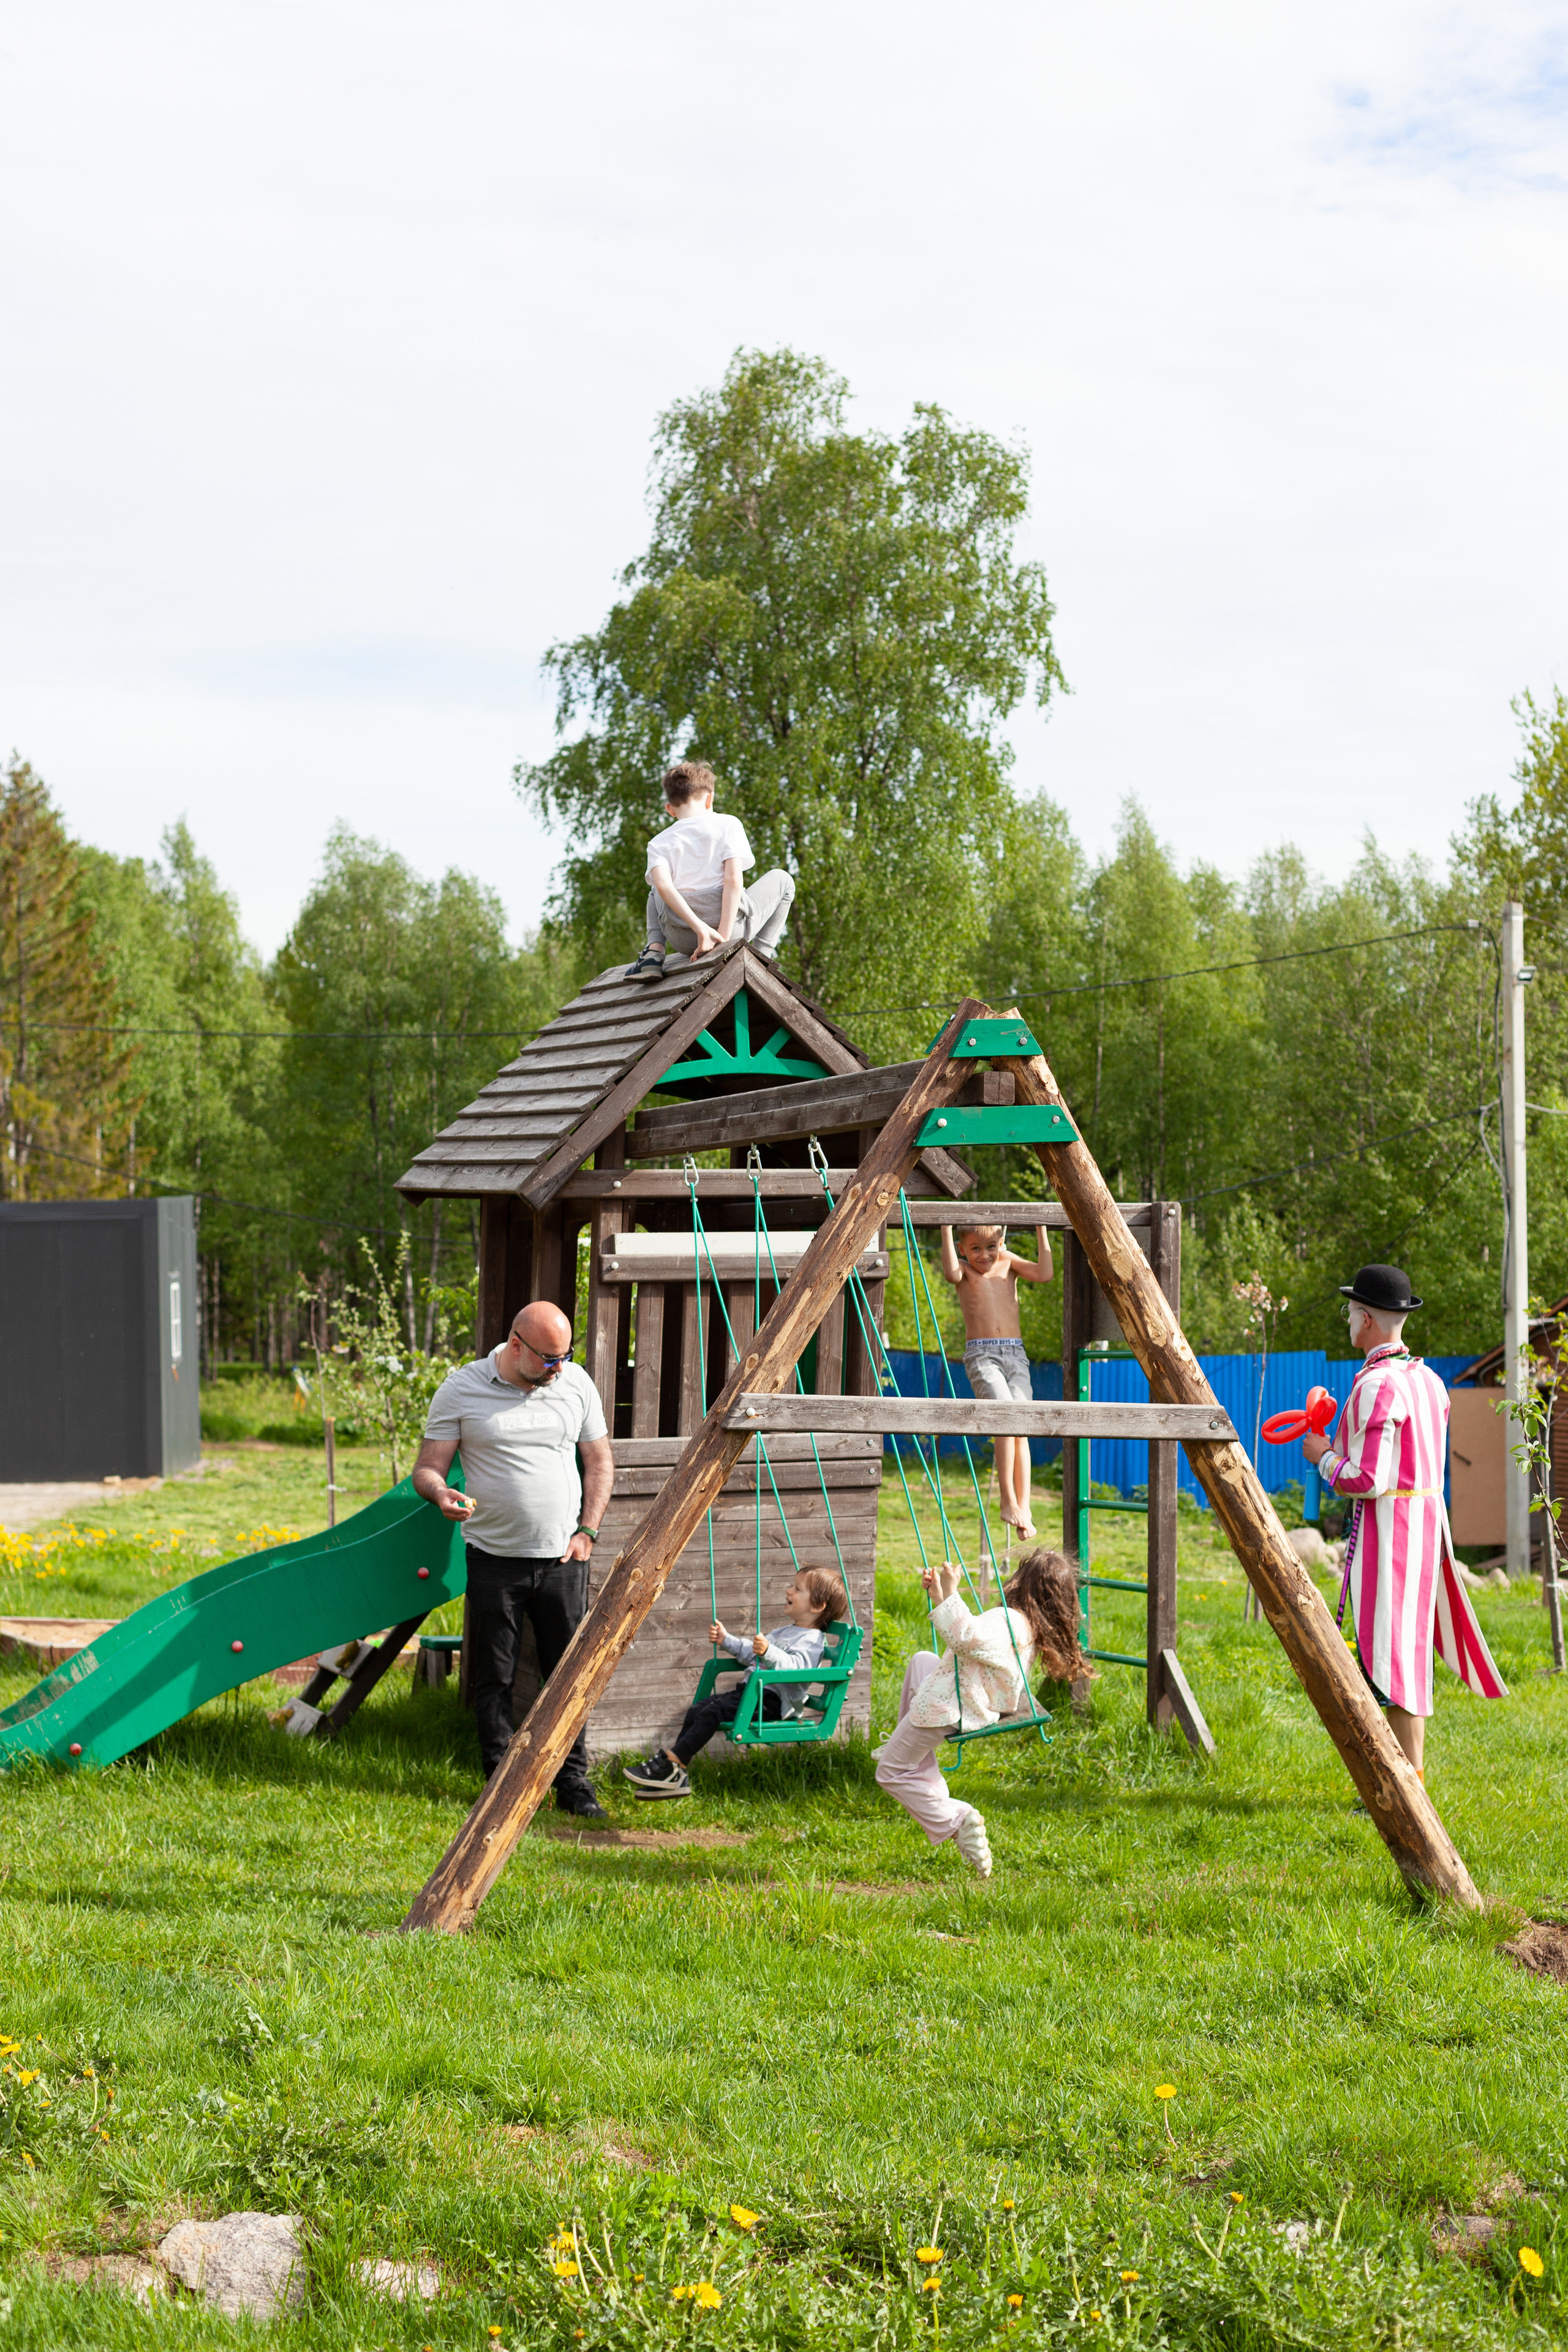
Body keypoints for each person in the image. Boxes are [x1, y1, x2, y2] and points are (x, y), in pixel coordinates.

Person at [1302, 1263, 1506, 1782]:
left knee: (1391, 1659)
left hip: (1390, 1535)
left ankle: (1404, 1783)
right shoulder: (1429, 1381)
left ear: (1367, 1319)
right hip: (1424, 1529)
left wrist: (1322, 1456)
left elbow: (1368, 1478)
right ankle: (1407, 1776)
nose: (1348, 1320)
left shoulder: (1378, 1385)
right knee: (1407, 1655)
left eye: (1351, 1312)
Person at [413, 1302, 615, 1819]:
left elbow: (599, 1463)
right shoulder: (461, 1388)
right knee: (494, 1676)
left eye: (565, 1356)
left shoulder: (575, 1384)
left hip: (563, 1559)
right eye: (549, 1359)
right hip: (493, 1558)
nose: (560, 1369)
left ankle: (574, 1785)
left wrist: (587, 1532)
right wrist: (441, 1495)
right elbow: (428, 1468)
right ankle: (500, 1789)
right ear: (516, 1344)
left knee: (568, 1675)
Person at [873, 1548, 1084, 1879]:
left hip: (954, 1704)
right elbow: (971, 1640)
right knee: (921, 1661)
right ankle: (914, 1764)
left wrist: (953, 1591)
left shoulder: (1009, 1620)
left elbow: (966, 1637)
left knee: (890, 1772)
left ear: (1023, 1582)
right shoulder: (1027, 1625)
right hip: (974, 1695)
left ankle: (956, 1818)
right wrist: (940, 1594)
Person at [622, 1567, 848, 1800]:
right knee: (698, 1710)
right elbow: (753, 1653)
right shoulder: (785, 1632)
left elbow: (798, 1669)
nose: (789, 1590)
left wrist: (769, 1652)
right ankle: (676, 1772)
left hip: (770, 1703)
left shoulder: (812, 1640)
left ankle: (671, 1766)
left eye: (797, 1589)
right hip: (752, 1694)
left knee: (712, 1713)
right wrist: (727, 1640)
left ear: (817, 1606)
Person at [624, 760, 795, 982]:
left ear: (670, 809)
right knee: (784, 881)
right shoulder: (729, 825)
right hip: (730, 932)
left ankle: (654, 951)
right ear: (709, 799)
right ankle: (762, 955)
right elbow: (733, 881)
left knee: (657, 887)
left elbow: (664, 887)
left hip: (684, 939)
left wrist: (702, 931)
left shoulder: (658, 843)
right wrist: (723, 938)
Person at [937, 1221, 1054, 1537]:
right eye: (975, 1248)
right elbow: (949, 1273)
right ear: (963, 1249)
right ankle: (1007, 1501)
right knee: (1005, 1415)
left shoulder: (1009, 1260)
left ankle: (1024, 1507)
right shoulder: (963, 1271)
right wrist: (946, 1227)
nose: (985, 1255)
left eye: (991, 1247)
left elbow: (1044, 1274)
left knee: (1022, 1426)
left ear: (1001, 1242)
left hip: (1016, 1353)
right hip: (981, 1354)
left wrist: (1041, 1229)